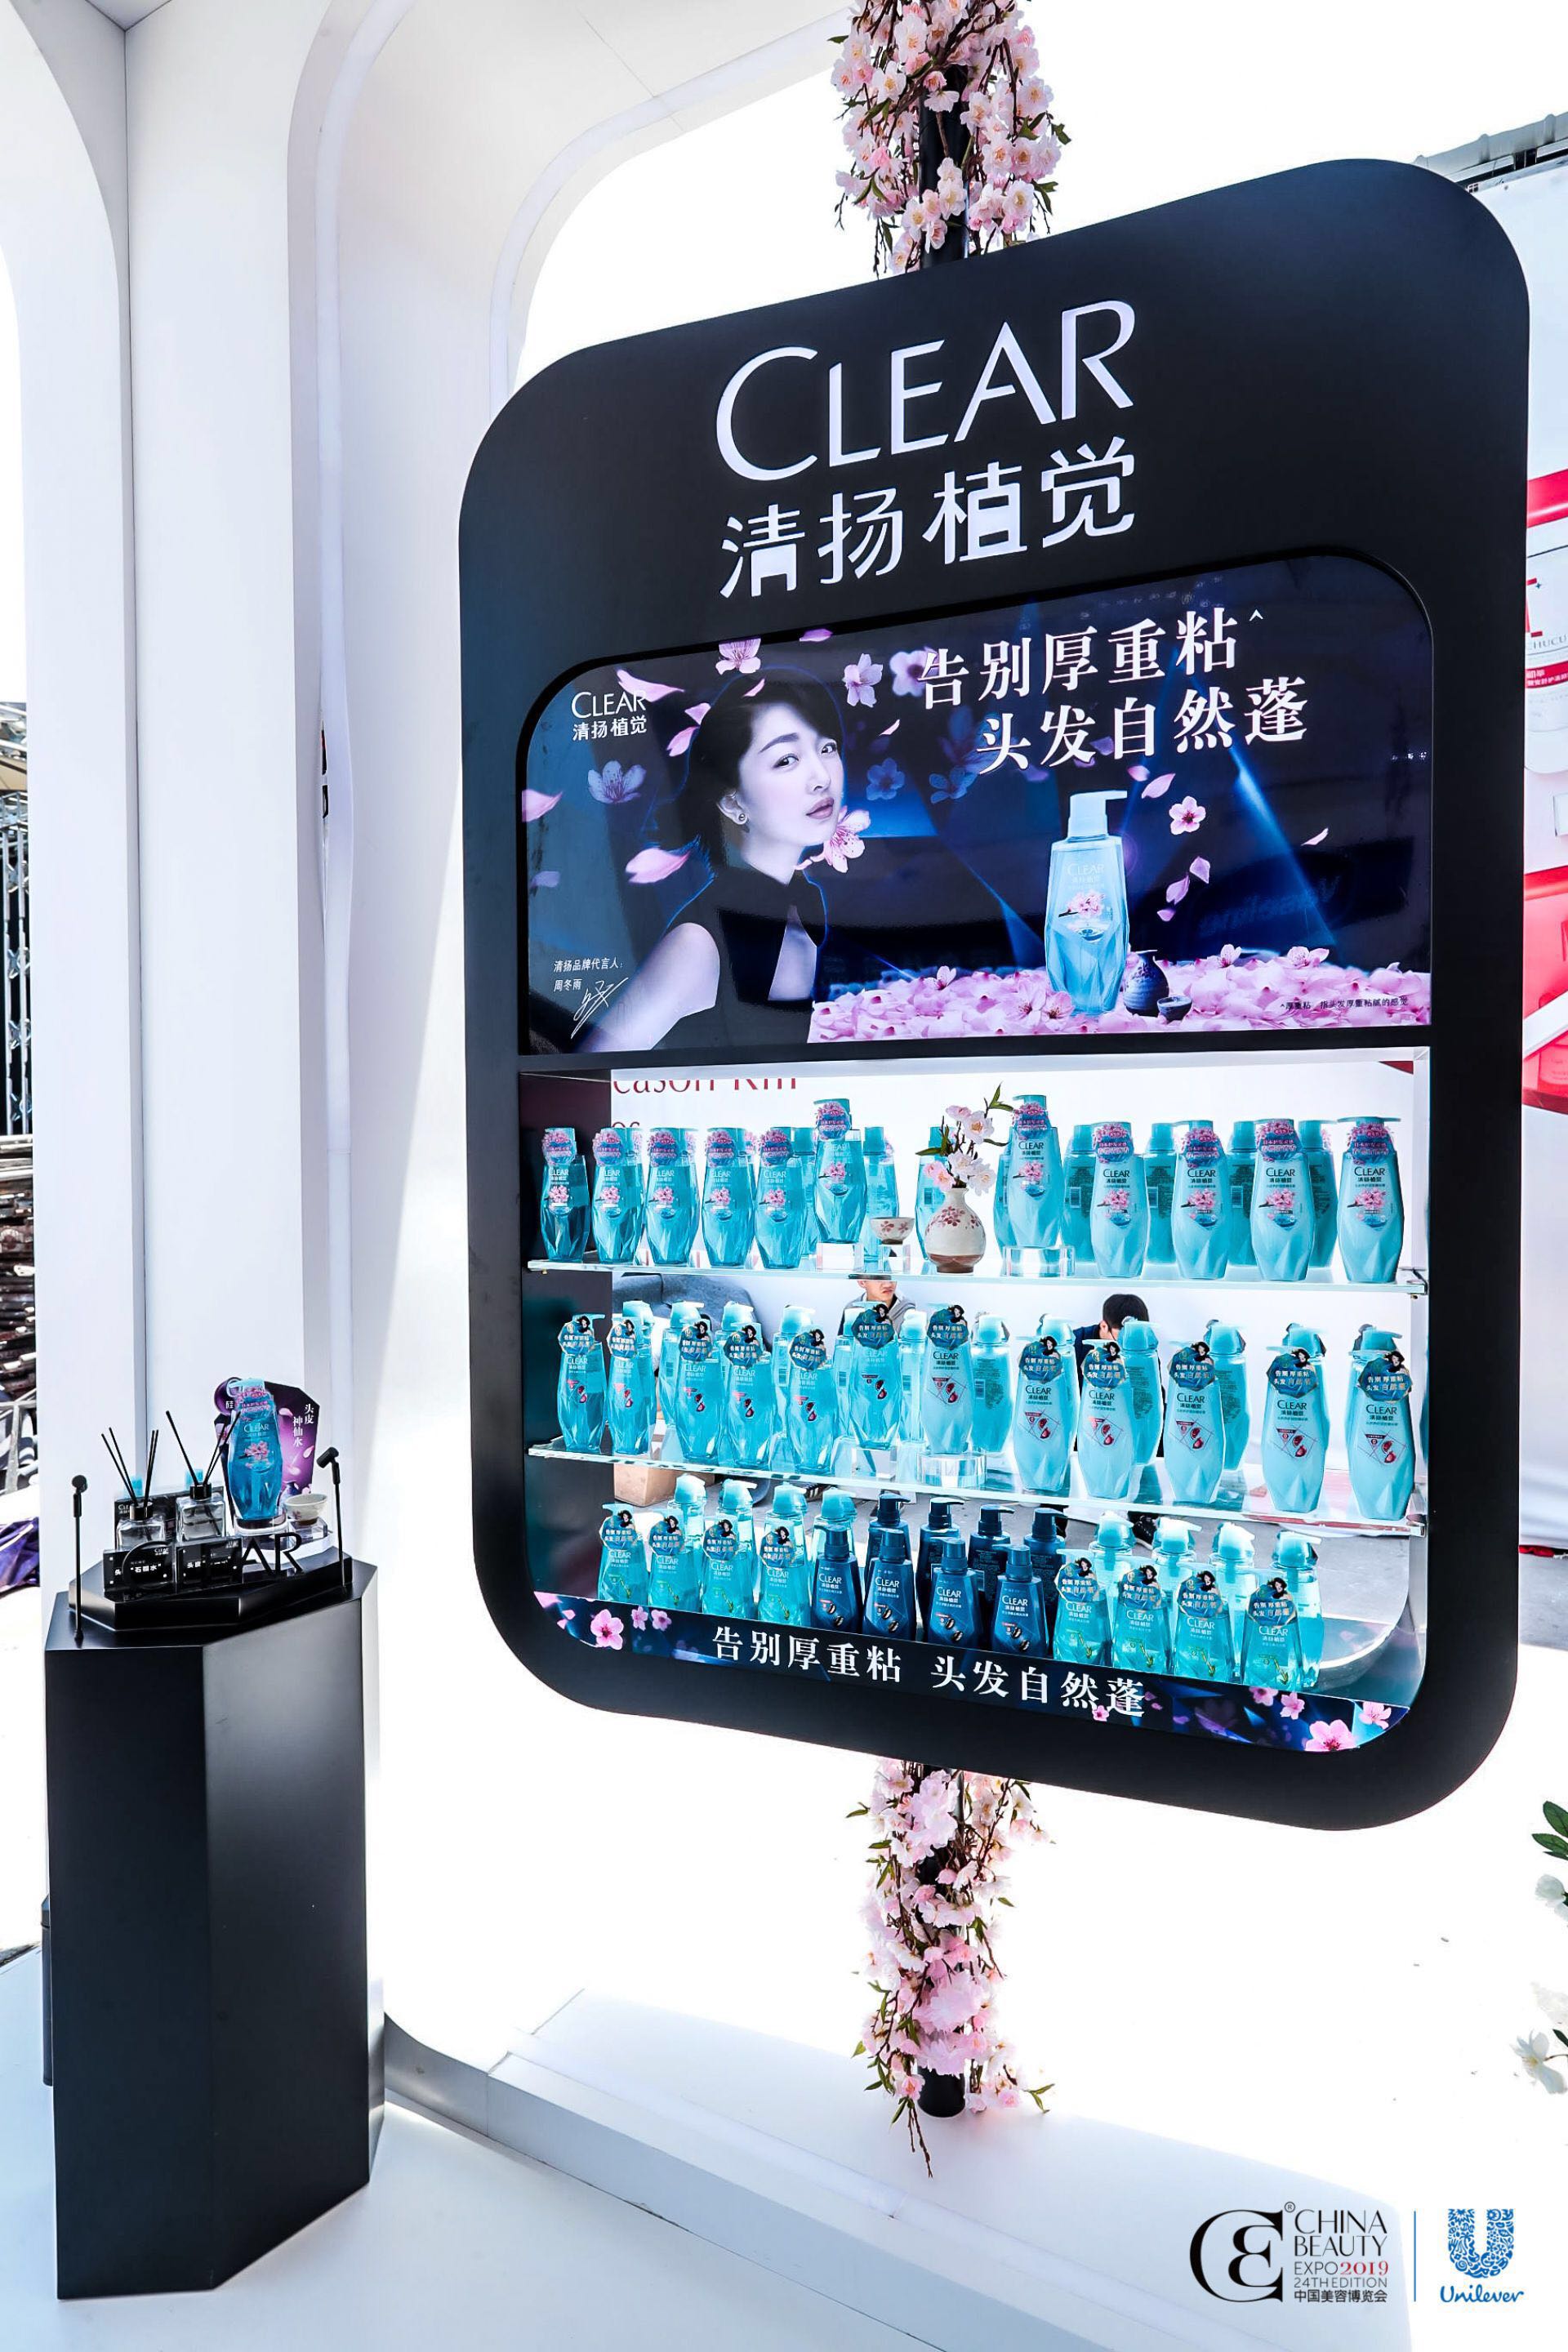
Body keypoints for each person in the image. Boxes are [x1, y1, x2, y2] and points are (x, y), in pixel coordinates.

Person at [586, 669, 846, 1053]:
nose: (821, 776)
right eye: (787, 759)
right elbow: (588, 1072)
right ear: (732, 801)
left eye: (827, 748)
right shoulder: (698, 945)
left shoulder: (800, 907)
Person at [1072, 1291, 1151, 1380]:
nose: (1129, 1345)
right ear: (1104, 1326)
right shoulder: (1074, 1343)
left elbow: (1155, 1386)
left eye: (1137, 1336)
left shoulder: (1144, 1348)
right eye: (1122, 1338)